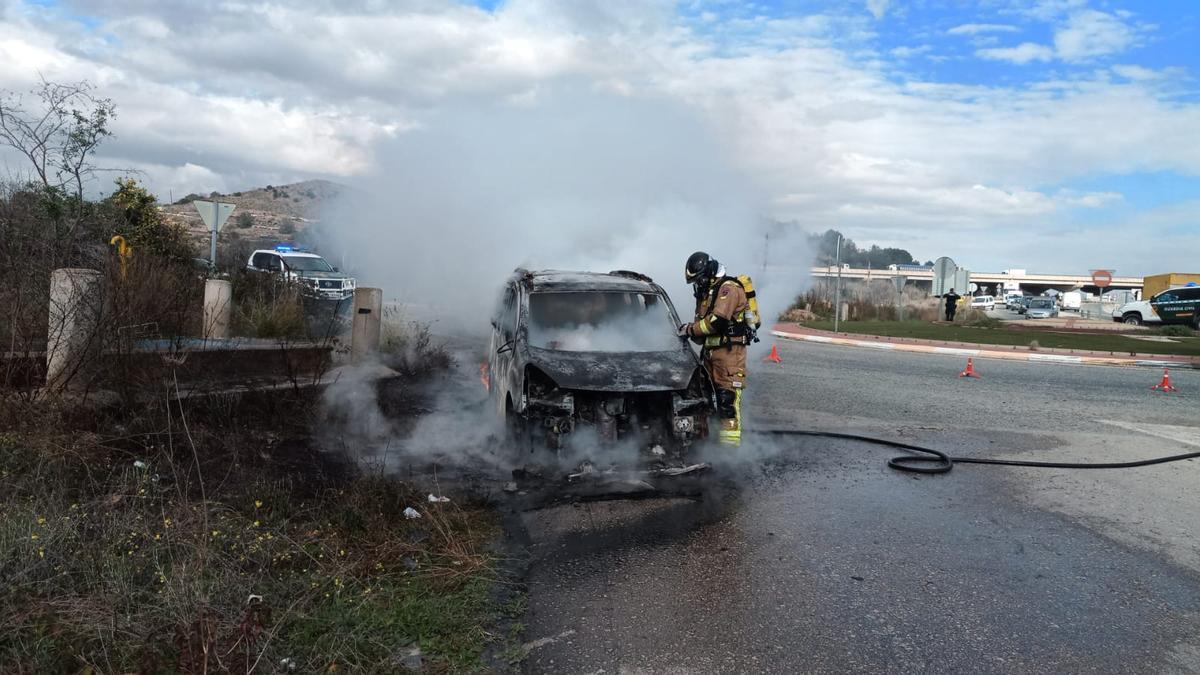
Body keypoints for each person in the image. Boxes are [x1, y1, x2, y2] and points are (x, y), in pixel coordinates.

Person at [678, 251, 753, 447]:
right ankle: (710, 445)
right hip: (710, 356)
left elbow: (716, 322)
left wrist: (689, 329)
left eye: (700, 279)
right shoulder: (709, 293)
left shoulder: (728, 289)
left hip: (729, 355)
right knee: (707, 403)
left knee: (726, 402)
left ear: (709, 272)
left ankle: (729, 452)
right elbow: (701, 330)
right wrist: (691, 332)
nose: (698, 284)